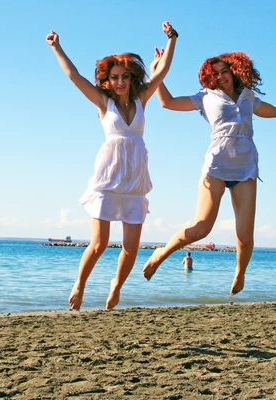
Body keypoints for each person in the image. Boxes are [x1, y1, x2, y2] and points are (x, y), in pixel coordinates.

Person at [143, 49, 276, 296]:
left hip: (245, 168)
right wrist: (156, 71)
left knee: (244, 235)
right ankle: (162, 253)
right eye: (216, 73)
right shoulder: (205, 97)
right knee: (202, 227)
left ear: (234, 70)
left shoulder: (248, 96)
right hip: (216, 166)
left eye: (225, 71)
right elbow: (167, 102)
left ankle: (240, 272)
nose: (221, 76)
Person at [46, 22, 178, 310]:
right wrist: (57, 47)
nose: (120, 82)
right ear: (106, 81)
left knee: (131, 249)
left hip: (134, 183)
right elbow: (74, 76)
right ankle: (80, 284)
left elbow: (163, 70)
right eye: (114, 77)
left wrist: (172, 39)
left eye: (125, 77)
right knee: (99, 244)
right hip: (108, 180)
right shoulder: (104, 103)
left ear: (132, 79)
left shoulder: (142, 99)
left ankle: (116, 286)